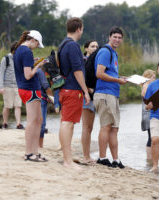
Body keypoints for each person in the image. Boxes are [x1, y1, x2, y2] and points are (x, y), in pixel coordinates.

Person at [58, 17, 90, 170]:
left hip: (65, 88)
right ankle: (67, 161)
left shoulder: (63, 44)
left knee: (68, 123)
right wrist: (85, 91)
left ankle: (68, 156)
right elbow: (77, 70)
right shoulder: (73, 46)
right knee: (67, 123)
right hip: (72, 89)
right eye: (82, 29)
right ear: (79, 29)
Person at [93, 26, 127, 168]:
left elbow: (110, 73)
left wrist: (119, 78)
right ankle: (102, 157)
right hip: (104, 93)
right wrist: (117, 80)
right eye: (115, 37)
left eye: (119, 37)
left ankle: (115, 159)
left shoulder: (114, 53)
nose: (117, 40)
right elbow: (99, 73)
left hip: (112, 94)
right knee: (106, 126)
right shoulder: (105, 51)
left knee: (114, 128)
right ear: (109, 37)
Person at [13, 30, 47, 162]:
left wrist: (33, 63)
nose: (37, 47)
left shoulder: (19, 50)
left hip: (26, 89)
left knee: (38, 120)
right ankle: (28, 153)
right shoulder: (27, 51)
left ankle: (35, 151)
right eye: (37, 45)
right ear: (33, 40)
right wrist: (38, 66)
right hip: (30, 89)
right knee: (33, 121)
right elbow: (28, 75)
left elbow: (23, 68)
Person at [80, 40, 99, 164]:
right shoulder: (83, 61)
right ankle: (86, 156)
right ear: (86, 48)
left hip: (95, 95)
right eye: (92, 46)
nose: (95, 48)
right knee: (86, 127)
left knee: (90, 127)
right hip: (86, 96)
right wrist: (87, 89)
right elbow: (79, 77)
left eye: (97, 46)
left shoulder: (97, 61)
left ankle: (88, 155)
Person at [0, 41, 24, 129]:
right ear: (14, 50)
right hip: (7, 86)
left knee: (18, 105)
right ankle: (5, 123)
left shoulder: (20, 59)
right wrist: (1, 87)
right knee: (7, 106)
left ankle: (18, 124)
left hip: (18, 86)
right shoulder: (6, 59)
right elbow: (1, 74)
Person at [141, 69, 156, 161]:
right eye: (153, 77)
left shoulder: (149, 86)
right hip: (148, 114)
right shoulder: (146, 86)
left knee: (152, 137)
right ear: (148, 78)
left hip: (150, 113)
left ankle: (151, 159)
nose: (155, 79)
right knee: (151, 137)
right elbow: (145, 96)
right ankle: (149, 159)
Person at [36, 68, 53, 148]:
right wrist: (53, 98)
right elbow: (45, 86)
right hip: (42, 99)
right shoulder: (41, 72)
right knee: (42, 124)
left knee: (36, 122)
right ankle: (40, 145)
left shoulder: (37, 71)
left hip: (37, 98)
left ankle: (37, 144)